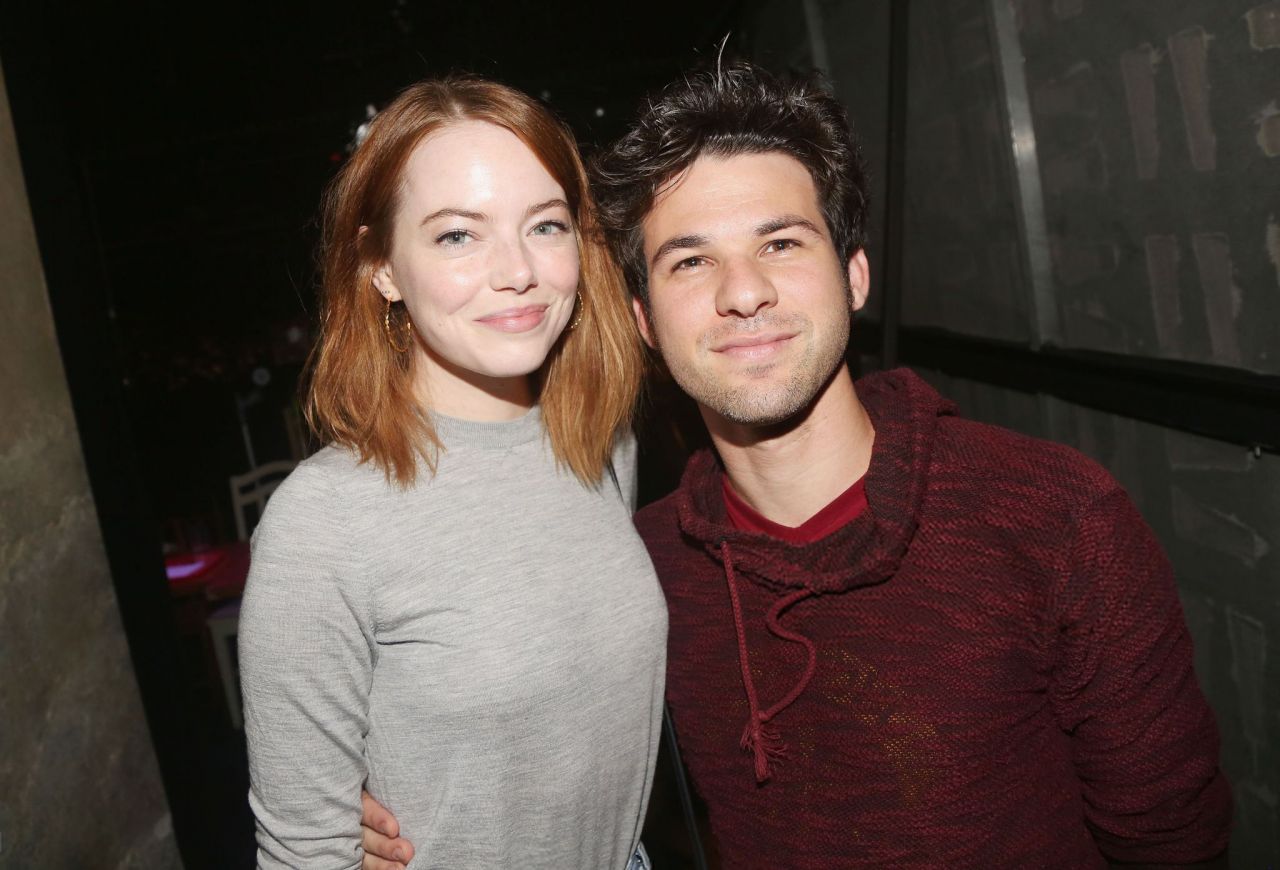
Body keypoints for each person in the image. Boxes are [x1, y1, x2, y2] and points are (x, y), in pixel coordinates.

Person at [357, 62, 1234, 868]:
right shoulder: (643, 568)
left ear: (854, 275)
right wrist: (389, 818)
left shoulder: (1052, 518)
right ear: (644, 322)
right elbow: (530, 724)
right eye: (691, 260)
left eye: (781, 244)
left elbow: (1173, 843)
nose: (744, 293)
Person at [238, 76, 667, 870]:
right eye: (457, 237)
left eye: (545, 225)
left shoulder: (604, 447)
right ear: (382, 266)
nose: (518, 272)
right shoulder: (324, 523)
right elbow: (304, 853)